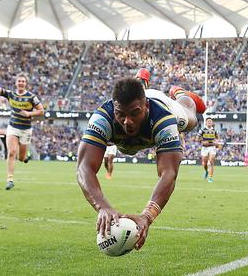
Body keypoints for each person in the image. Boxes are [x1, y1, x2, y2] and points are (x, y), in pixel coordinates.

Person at [77, 74, 204, 250]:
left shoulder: (165, 119)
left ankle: (181, 93)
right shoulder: (102, 118)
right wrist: (103, 207)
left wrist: (147, 216)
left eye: (134, 113)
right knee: (126, 146)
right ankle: (141, 81)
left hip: (165, 104)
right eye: (121, 114)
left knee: (190, 119)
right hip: (128, 139)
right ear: (114, 108)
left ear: (146, 106)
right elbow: (84, 167)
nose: (127, 121)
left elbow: (169, 173)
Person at [0, 69, 44, 190]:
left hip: (26, 130)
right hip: (12, 128)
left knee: (21, 158)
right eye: (19, 81)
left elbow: (41, 111)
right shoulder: (11, 94)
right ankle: (10, 179)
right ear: (16, 83)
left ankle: (24, 157)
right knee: (11, 152)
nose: (21, 83)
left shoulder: (31, 97)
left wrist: (29, 114)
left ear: (26, 83)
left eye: (23, 81)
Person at [199, 117, 218, 183]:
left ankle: (210, 177)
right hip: (205, 148)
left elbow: (217, 138)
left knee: (211, 160)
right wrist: (202, 142)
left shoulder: (215, 130)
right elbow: (198, 138)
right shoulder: (202, 130)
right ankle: (206, 171)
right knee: (205, 163)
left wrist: (216, 142)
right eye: (208, 121)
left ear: (212, 123)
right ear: (206, 122)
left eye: (210, 121)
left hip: (212, 147)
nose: (209, 122)